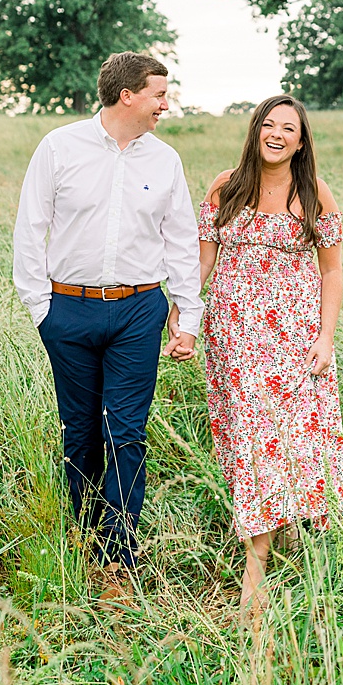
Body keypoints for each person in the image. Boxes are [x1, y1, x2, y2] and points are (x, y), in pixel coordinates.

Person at [12, 51, 203, 605]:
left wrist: (187, 316)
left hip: (139, 311)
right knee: (79, 430)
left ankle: (118, 554)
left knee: (126, 430)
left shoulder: (165, 160)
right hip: (68, 310)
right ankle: (83, 535)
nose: (165, 104)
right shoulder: (59, 147)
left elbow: (181, 240)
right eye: (158, 94)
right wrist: (41, 308)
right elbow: (30, 228)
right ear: (128, 95)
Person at [183, 93, 343, 618]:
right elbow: (202, 262)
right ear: (256, 130)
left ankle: (259, 566)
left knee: (288, 441)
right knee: (251, 441)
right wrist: (183, 313)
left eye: (288, 129)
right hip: (234, 341)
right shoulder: (225, 186)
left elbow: (331, 270)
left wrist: (325, 337)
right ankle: (274, 534)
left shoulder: (313, 191)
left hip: (294, 341)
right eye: (269, 125)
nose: (277, 134)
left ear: (301, 142)